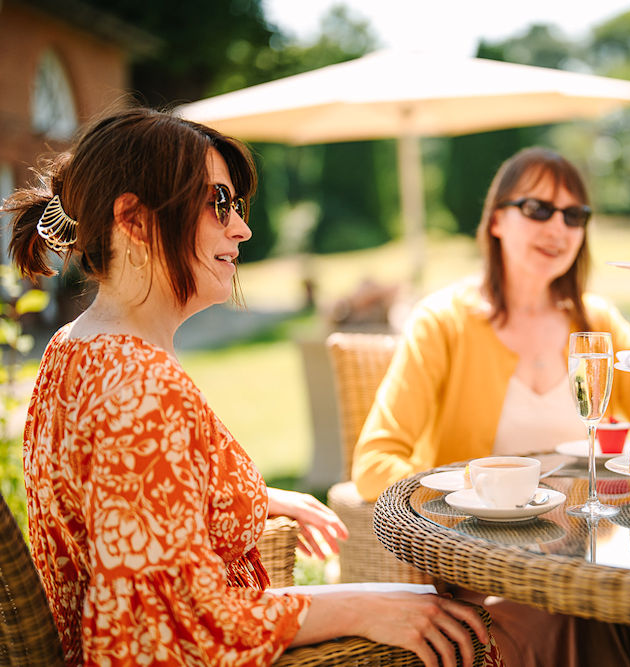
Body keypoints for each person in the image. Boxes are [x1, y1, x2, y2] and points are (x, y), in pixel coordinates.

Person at [5, 106, 489, 667]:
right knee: (475, 626)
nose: (242, 227)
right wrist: (363, 607)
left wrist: (255, 499)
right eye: (218, 203)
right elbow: (166, 632)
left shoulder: (73, 349)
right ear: (133, 221)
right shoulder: (140, 388)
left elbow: (139, 514)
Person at [351, 147, 630, 666]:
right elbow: (373, 463)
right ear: (497, 219)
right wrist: (479, 501)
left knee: (623, 599)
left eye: (574, 215)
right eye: (539, 209)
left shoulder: (599, 324)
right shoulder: (443, 323)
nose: (559, 227)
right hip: (483, 571)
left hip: (593, 558)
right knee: (584, 607)